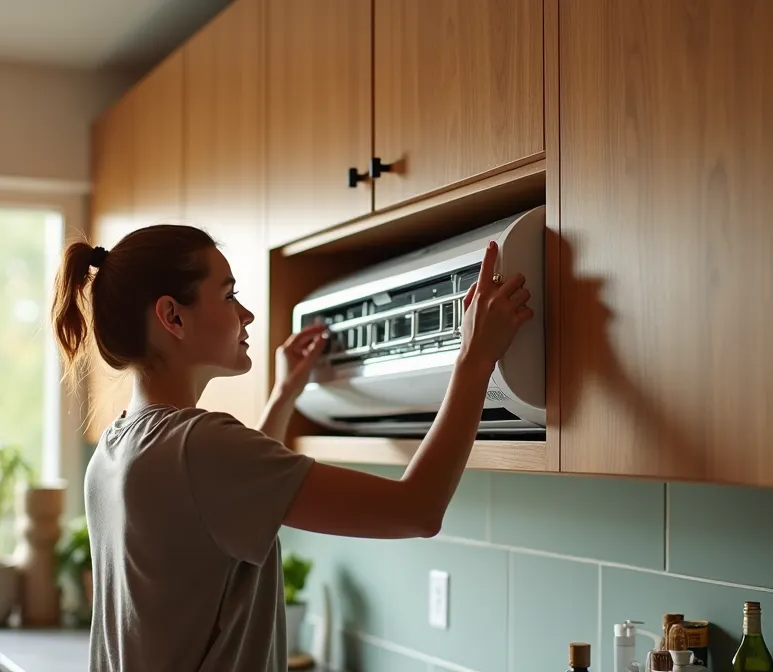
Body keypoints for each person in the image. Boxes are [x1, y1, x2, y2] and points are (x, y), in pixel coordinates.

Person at [51, 224, 533, 672]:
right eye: (229, 294)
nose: (247, 313)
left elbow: (227, 492)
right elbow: (418, 509)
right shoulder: (198, 446)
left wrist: (284, 395)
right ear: (173, 316)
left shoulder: (117, 447)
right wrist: (475, 359)